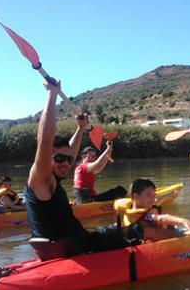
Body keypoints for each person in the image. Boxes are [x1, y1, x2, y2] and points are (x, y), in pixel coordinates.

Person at [24, 79, 130, 257]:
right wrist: (52, 95)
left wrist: (80, 129)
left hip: (74, 244)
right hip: (76, 250)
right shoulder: (41, 179)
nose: (66, 163)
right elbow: (45, 140)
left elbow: (70, 153)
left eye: (68, 159)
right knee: (134, 233)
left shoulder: (52, 179)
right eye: (59, 158)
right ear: (46, 157)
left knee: (117, 230)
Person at [115, 178, 190, 242]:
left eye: (154, 195)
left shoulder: (131, 210)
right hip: (166, 235)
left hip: (165, 231)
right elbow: (161, 218)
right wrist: (183, 220)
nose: (153, 199)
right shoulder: (144, 216)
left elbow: (155, 204)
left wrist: (167, 196)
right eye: (149, 195)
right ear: (136, 196)